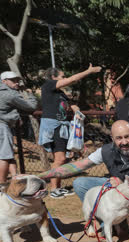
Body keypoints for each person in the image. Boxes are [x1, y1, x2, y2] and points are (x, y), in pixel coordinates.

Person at [38, 120, 129, 226]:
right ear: (112, 139)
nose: (124, 142)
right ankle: (107, 221)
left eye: (127, 137)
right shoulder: (106, 150)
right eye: (119, 138)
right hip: (116, 191)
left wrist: (122, 184)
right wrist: (39, 176)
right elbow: (77, 166)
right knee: (80, 183)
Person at [39, 64, 102, 198]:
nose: (65, 78)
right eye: (62, 76)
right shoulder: (49, 85)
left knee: (63, 159)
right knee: (60, 158)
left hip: (62, 127)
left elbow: (72, 104)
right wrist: (89, 71)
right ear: (53, 77)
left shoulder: (60, 93)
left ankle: (58, 187)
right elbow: (73, 79)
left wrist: (77, 111)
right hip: (54, 127)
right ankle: (54, 189)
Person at [0, 71, 38, 183]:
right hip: (2, 126)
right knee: (5, 156)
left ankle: (15, 177)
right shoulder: (10, 94)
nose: (17, 82)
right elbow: (31, 106)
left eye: (17, 80)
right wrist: (30, 94)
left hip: (4, 125)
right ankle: (1, 185)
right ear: (4, 81)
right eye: (13, 80)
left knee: (7, 153)